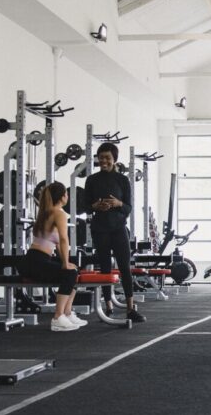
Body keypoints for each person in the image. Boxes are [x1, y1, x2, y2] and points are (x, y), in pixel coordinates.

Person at [85, 141, 144, 323]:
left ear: (114, 159)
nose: (103, 161)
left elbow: (128, 208)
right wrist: (96, 206)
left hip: (118, 228)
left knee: (125, 267)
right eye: (101, 157)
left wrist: (118, 203)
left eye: (107, 158)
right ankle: (108, 307)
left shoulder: (123, 180)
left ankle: (130, 308)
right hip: (100, 229)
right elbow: (86, 207)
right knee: (104, 268)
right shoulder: (91, 180)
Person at [17, 181, 84, 332]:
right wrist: (65, 264)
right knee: (69, 273)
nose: (67, 196)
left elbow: (59, 245)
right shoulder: (59, 213)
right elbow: (64, 239)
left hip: (32, 260)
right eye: (66, 193)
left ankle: (67, 313)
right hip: (36, 262)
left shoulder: (45, 213)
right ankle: (58, 317)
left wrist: (66, 262)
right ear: (62, 197)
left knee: (74, 270)